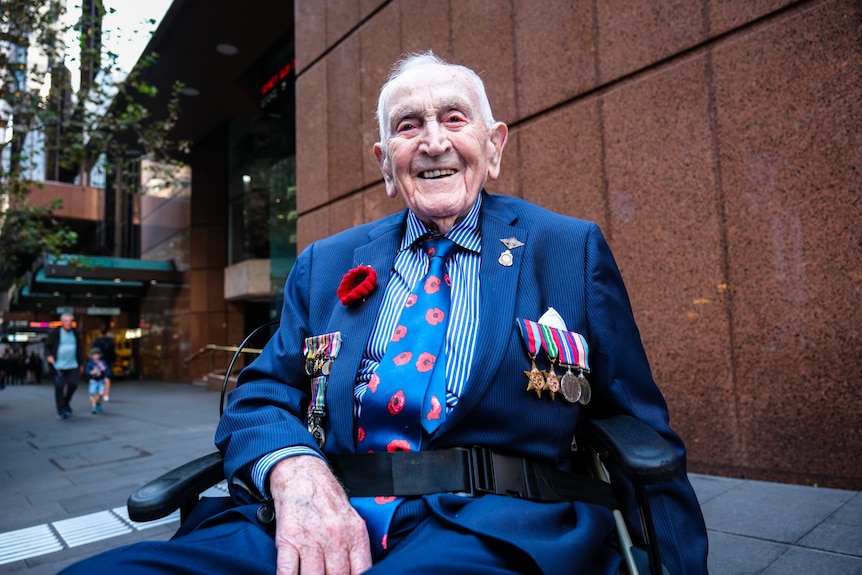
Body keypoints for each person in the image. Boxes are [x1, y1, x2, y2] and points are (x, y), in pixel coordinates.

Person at [62, 52, 708, 574]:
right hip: (310, 522)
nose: (433, 142)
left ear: (494, 143)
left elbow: (638, 425)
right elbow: (261, 394)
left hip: (490, 527)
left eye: (454, 119)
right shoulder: (326, 262)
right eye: (408, 126)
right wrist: (293, 472)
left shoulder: (563, 248)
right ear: (384, 164)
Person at [45, 312, 84, 420]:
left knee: (73, 384)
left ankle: (66, 402)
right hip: (58, 366)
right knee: (59, 387)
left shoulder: (75, 333)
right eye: (66, 321)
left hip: (73, 365)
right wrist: (49, 356)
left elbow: (80, 349)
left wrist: (81, 363)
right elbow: (47, 346)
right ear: (61, 322)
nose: (68, 323)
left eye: (70, 321)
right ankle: (61, 410)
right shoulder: (55, 333)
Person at [92, 325, 116, 401]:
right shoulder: (110, 341)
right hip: (108, 361)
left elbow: (92, 351)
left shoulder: (96, 341)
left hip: (98, 361)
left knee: (98, 377)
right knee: (107, 377)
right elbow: (113, 352)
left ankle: (98, 392)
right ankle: (106, 394)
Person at [86, 347, 109, 414]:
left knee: (101, 394)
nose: (95, 356)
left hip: (101, 381)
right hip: (93, 381)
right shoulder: (90, 363)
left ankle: (98, 402)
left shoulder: (102, 363)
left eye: (97, 354)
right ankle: (94, 407)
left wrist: (101, 374)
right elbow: (87, 372)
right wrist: (92, 372)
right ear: (91, 356)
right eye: (94, 355)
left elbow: (106, 371)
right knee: (93, 394)